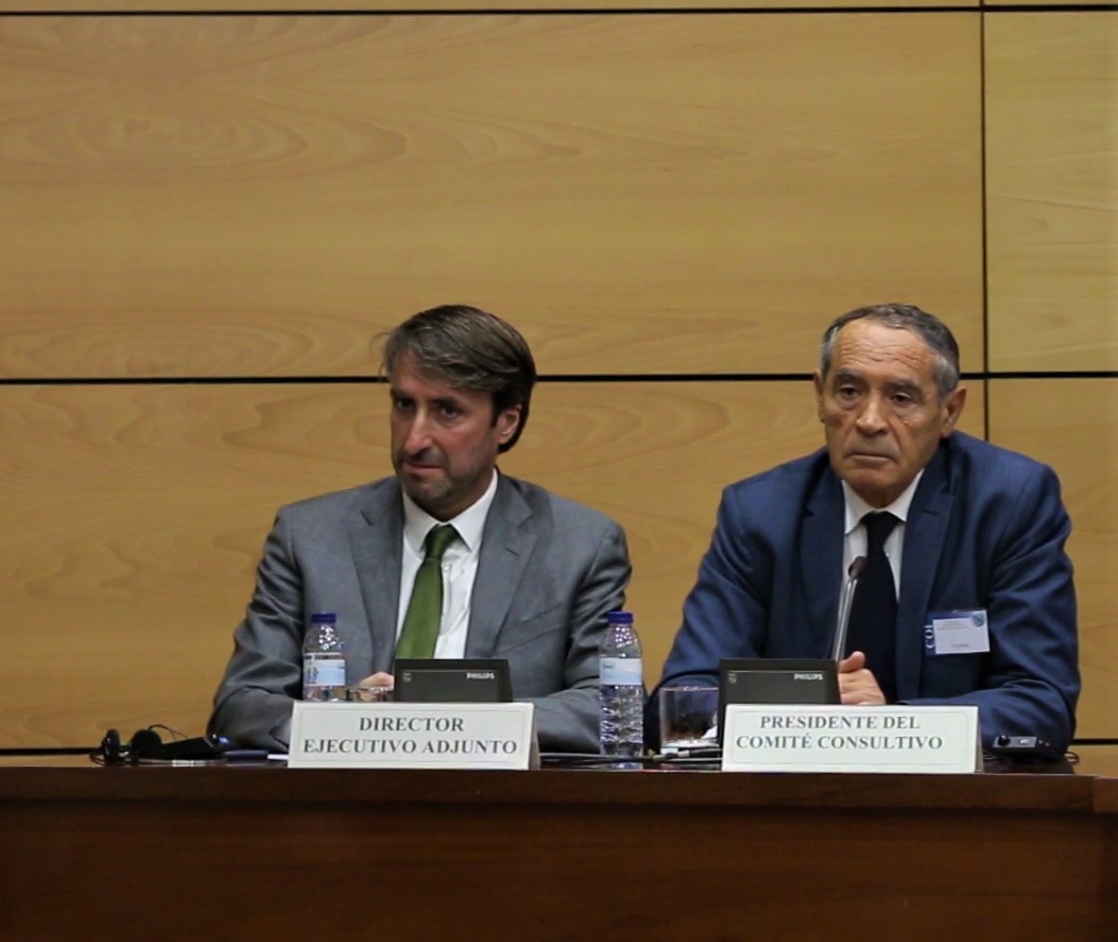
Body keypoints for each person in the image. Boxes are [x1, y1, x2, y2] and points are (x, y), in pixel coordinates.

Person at [209, 304, 632, 752]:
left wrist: (449, 721)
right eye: (404, 405)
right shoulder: (310, 536)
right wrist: (344, 718)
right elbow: (242, 706)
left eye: (447, 411)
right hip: (346, 793)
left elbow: (608, 706)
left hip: (499, 794)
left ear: (505, 423)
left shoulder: (578, 545)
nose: (414, 439)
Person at [660, 303, 1079, 756]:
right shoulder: (760, 514)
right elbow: (684, 702)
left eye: (901, 398)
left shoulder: (1007, 503)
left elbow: (1040, 703)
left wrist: (887, 725)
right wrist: (810, 706)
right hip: (793, 793)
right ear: (820, 396)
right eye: (849, 392)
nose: (870, 421)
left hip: (956, 796)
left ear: (949, 411)